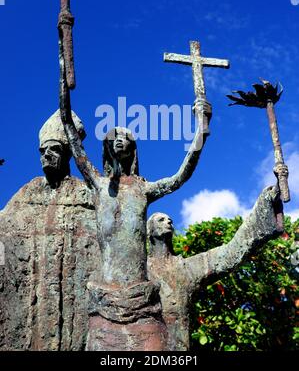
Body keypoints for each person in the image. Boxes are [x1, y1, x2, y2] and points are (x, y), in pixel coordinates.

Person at [58, 45, 212, 350]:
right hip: (103, 304)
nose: (119, 140)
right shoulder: (98, 184)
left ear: (133, 148)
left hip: (143, 305)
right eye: (114, 137)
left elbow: (183, 174)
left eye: (125, 137)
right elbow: (72, 139)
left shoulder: (144, 189)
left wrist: (200, 131)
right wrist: (63, 80)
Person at [0, 110, 99, 350]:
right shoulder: (29, 192)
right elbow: (5, 226)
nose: (46, 155)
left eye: (53, 149)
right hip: (34, 294)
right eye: (42, 151)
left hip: (75, 296)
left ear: (67, 154)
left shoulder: (84, 192)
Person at [147, 179, 286, 351]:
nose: (168, 222)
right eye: (161, 220)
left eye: (170, 220)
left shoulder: (186, 268)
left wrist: (267, 201)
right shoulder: (141, 270)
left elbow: (230, 252)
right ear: (149, 231)